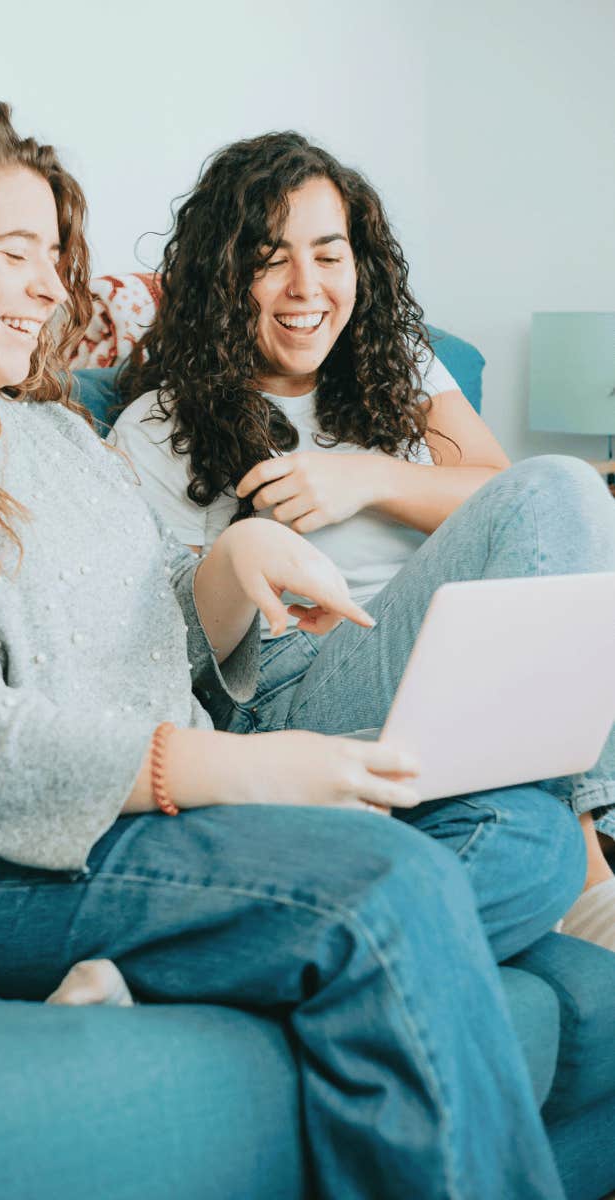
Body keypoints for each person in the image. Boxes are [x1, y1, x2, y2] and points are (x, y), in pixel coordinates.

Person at [0, 93, 587, 1200]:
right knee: (388, 886)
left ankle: (185, 969)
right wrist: (243, 767)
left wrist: (233, 561)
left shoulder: (52, 433)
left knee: (537, 847)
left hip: (144, 820)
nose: (52, 287)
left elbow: (152, 607)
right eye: (15, 251)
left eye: (54, 256)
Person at [113, 131, 615, 949]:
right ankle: (595, 881)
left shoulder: (400, 365)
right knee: (564, 481)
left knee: (530, 840)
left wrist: (370, 478)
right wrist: (250, 552)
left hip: (445, 670)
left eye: (329, 254)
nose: (305, 287)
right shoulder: (155, 426)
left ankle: (295, 944)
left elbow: (506, 498)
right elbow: (167, 651)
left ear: (360, 264)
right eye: (269, 258)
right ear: (221, 275)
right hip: (294, 696)